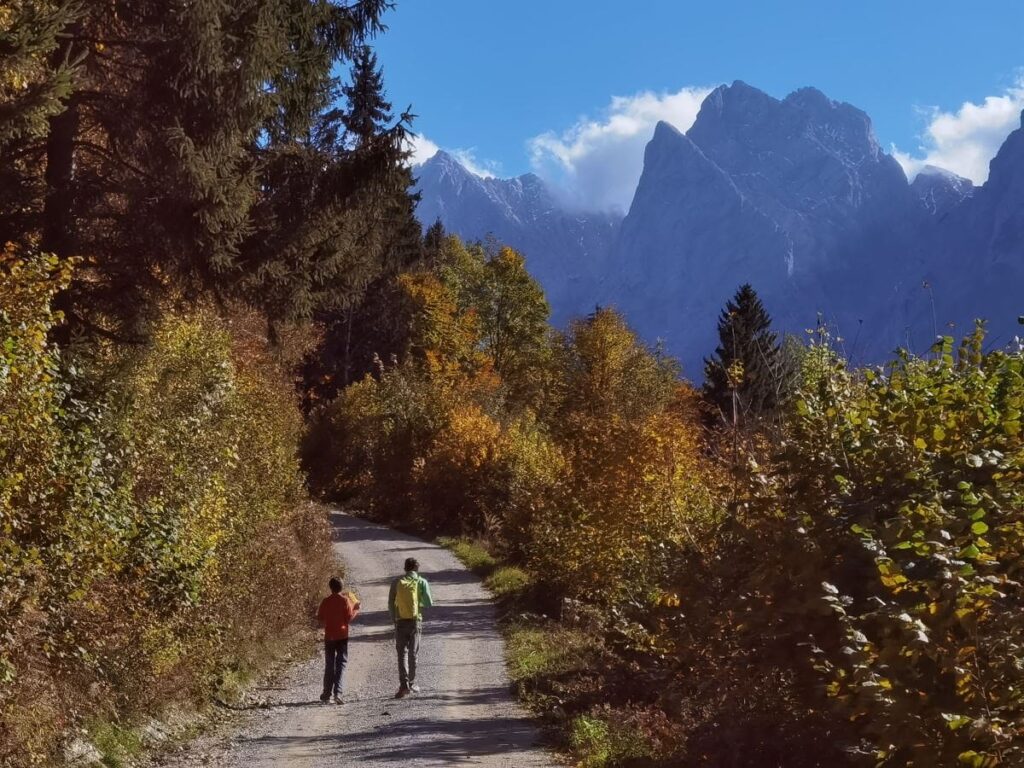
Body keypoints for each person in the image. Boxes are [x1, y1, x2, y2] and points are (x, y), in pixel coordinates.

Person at [388, 557, 433, 698]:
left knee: (402, 654)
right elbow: (428, 603)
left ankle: (404, 685)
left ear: (405, 568)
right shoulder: (421, 582)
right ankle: (412, 683)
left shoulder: (397, 582)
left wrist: (394, 618)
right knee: (413, 653)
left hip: (400, 621)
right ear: (417, 569)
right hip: (415, 620)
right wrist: (417, 603)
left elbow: (390, 603)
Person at [316, 576, 360, 704]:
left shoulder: (325, 601)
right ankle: (338, 693)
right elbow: (348, 618)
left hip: (329, 635)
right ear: (342, 587)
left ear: (330, 587)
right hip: (342, 636)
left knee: (329, 664)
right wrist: (356, 608)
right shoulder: (345, 600)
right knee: (341, 663)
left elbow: (320, 617)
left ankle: (326, 693)